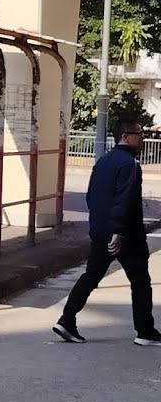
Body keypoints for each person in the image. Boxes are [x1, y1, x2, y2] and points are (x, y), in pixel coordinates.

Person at [54, 119, 161, 345]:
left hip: (101, 232)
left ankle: (67, 319)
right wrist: (119, 231)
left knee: (90, 276)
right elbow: (126, 200)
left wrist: (100, 227)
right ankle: (145, 332)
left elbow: (91, 197)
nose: (142, 138)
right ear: (125, 136)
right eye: (138, 134)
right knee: (140, 280)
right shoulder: (130, 164)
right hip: (125, 235)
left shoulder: (103, 161)